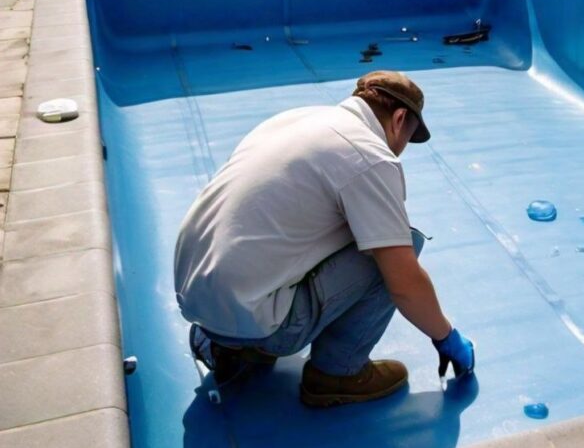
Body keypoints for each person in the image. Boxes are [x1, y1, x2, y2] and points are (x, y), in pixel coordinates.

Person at [173, 70, 475, 407]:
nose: (401, 149)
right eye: (407, 138)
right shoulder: (369, 154)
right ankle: (337, 374)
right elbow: (404, 282)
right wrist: (445, 336)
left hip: (197, 302)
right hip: (258, 320)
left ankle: (232, 346)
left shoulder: (295, 120)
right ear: (400, 119)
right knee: (397, 246)